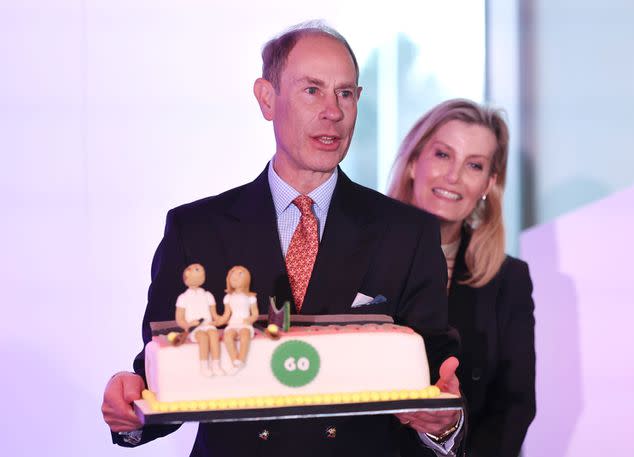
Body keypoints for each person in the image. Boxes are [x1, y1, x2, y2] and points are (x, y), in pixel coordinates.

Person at [101, 22, 463, 456]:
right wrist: (130, 407)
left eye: (345, 93)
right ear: (267, 98)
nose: (333, 111)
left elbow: (437, 373)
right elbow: (167, 369)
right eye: (312, 90)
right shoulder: (196, 229)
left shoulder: (406, 232)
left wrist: (445, 423)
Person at [388, 99, 536, 457]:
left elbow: (513, 408)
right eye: (442, 155)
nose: (454, 176)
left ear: (489, 183)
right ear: (412, 162)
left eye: (474, 165)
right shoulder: (354, 254)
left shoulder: (509, 279)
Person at [222, 265, 259, 373]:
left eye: (240, 274)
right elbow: (226, 314)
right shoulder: (228, 297)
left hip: (245, 324)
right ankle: (234, 361)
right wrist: (217, 321)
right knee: (228, 337)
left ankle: (241, 360)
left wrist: (250, 319)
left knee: (244, 335)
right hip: (233, 324)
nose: (235, 276)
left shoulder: (250, 297)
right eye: (233, 275)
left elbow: (255, 313)